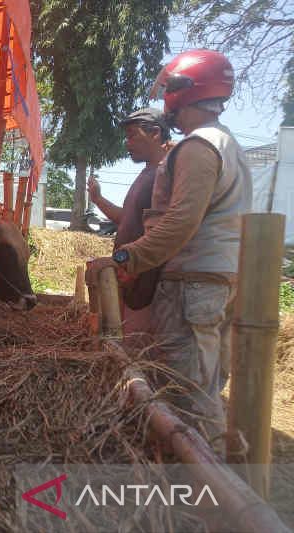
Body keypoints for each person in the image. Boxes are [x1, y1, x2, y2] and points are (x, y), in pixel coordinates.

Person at [102, 50, 252, 447]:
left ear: (182, 91)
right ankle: (221, 475)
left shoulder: (199, 147)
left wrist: (127, 257)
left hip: (192, 283)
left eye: (168, 89)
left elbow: (180, 221)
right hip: (217, 278)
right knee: (205, 384)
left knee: (186, 390)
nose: (164, 98)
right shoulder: (226, 144)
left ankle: (211, 490)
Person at [88, 108, 171, 342]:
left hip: (145, 284)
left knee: (137, 349)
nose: (127, 143)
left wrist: (133, 266)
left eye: (133, 135)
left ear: (155, 133)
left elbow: (163, 231)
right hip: (131, 278)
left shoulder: (166, 175)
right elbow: (127, 220)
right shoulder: (148, 174)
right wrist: (98, 199)